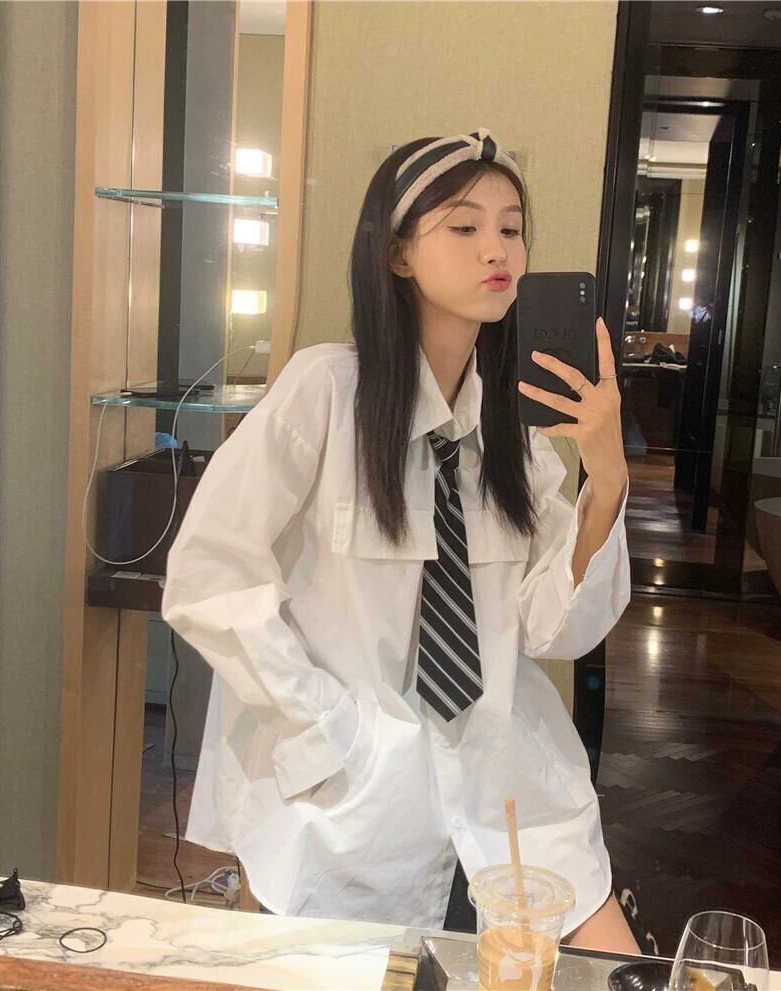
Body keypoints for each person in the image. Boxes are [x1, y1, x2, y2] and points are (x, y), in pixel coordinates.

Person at [161, 127, 639, 953]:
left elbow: (554, 627)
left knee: (611, 966)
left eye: (512, 227)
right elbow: (209, 573)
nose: (497, 249)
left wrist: (607, 481)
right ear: (397, 252)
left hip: (508, 774)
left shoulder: (513, 430)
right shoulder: (325, 393)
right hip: (351, 796)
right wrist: (326, 726)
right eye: (465, 225)